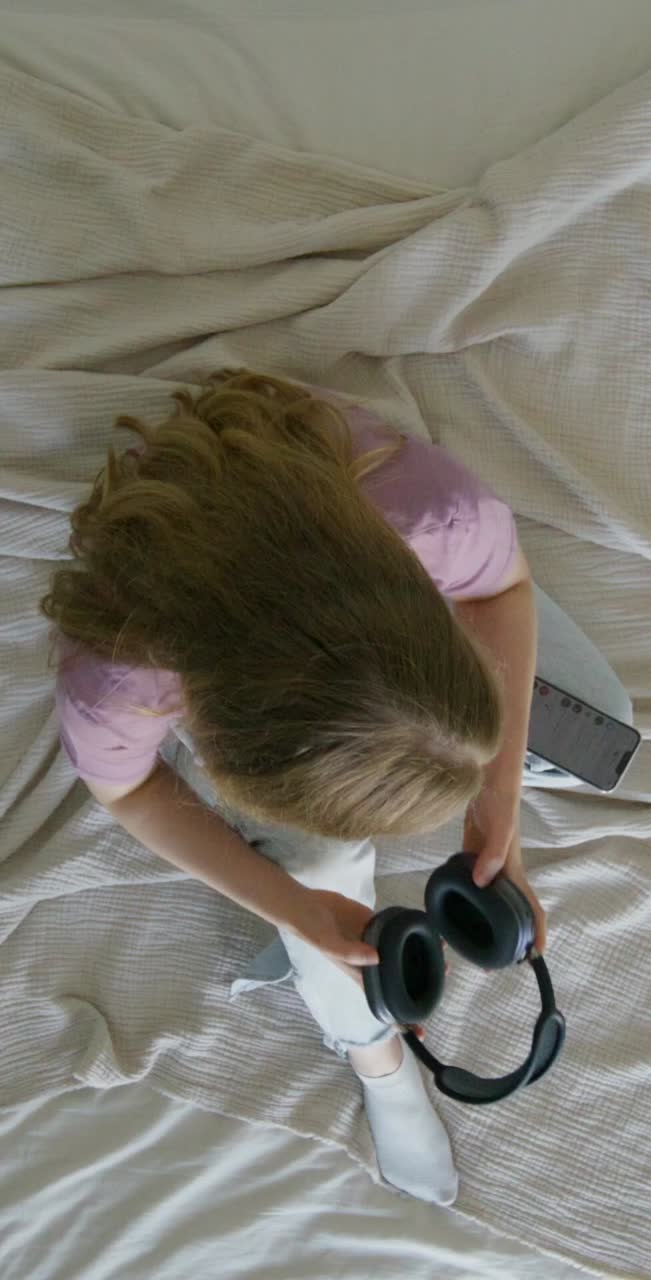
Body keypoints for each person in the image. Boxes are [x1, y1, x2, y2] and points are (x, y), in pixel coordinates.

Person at [42, 368, 548, 1207]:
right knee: (319, 860)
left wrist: (498, 801)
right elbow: (131, 795)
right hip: (246, 624)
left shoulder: (443, 516)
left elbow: (505, 587)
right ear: (220, 747)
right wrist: (294, 906)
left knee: (597, 709)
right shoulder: (123, 683)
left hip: (357, 581)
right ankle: (378, 1064)